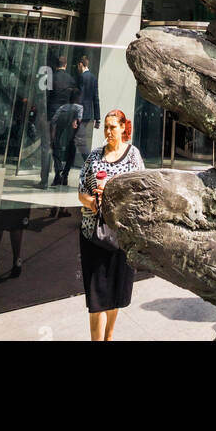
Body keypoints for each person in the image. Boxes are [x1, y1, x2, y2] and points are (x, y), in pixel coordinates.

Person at [78, 110, 144, 342]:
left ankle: (109, 337)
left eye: (113, 127)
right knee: (96, 299)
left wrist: (113, 200)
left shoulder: (133, 155)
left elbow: (141, 193)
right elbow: (81, 192)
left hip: (121, 236)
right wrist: (95, 203)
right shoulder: (94, 157)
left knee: (115, 293)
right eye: (106, 127)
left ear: (124, 128)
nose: (108, 132)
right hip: (93, 235)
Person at [51, 89, 82, 187]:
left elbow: (53, 120)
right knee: (71, 154)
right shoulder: (80, 108)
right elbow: (80, 120)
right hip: (72, 135)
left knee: (56, 151)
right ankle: (65, 175)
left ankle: (58, 173)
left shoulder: (62, 107)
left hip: (60, 134)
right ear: (78, 98)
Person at [75, 55, 100, 165]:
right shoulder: (93, 78)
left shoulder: (81, 77)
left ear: (81, 64)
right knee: (77, 139)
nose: (77, 68)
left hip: (80, 114)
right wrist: (97, 118)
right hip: (88, 113)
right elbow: (96, 98)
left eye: (78, 66)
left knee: (79, 140)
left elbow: (80, 97)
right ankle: (64, 172)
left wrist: (76, 116)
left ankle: (90, 164)